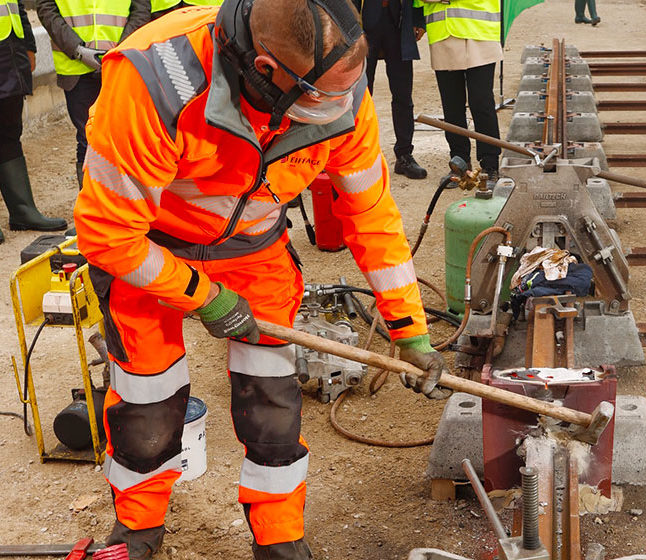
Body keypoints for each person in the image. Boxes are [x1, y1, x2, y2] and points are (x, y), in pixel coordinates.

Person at [72, 0, 452, 557]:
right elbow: (107, 235)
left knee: (272, 407)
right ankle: (137, 531)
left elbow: (370, 215)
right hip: (148, 252)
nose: (338, 112)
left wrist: (408, 329)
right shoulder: (154, 79)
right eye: (321, 102)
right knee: (146, 404)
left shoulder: (340, 93)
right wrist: (202, 297)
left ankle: (279, 540)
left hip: (256, 254)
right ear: (269, 72)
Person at [0, 0, 68, 244]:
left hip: (10, 51)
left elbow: (14, 5)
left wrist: (29, 46)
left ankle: (23, 210)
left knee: (9, 132)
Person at [36, 0, 150, 185]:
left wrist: (121, 48)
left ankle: (122, 203)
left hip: (122, 62)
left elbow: (142, 7)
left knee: (125, 138)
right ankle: (92, 207)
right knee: (88, 139)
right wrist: (77, 49)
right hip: (76, 67)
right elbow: (45, 7)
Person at [416, 0, 501, 178]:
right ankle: (459, 161)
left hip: (479, 33)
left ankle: (490, 164)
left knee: (481, 102)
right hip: (443, 34)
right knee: (451, 105)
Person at [353, 0, 427, 179]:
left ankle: (404, 155)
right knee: (360, 97)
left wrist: (418, 19)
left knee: (403, 94)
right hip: (363, 24)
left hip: (397, 23)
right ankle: (359, 158)